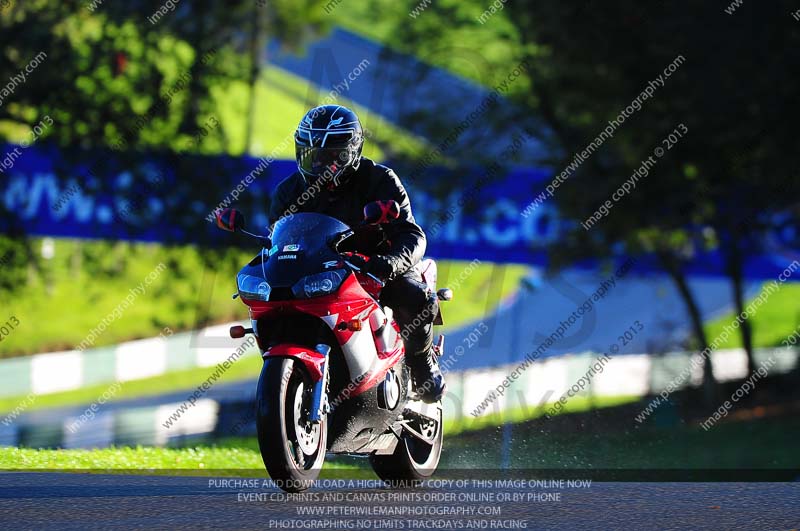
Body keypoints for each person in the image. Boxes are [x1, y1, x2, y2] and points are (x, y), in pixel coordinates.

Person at [268, 104, 446, 403]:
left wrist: (390, 263)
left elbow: (411, 233)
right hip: (321, 269)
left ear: (352, 152)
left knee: (414, 295)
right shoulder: (289, 191)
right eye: (314, 155)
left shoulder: (380, 180)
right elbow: (275, 238)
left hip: (375, 264)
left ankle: (421, 364)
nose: (322, 164)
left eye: (332, 156)